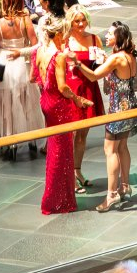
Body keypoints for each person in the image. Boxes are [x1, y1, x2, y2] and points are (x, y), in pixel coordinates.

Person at [40, 16, 101, 214]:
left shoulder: (41, 50)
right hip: (58, 105)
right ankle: (59, 200)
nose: (67, 36)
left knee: (54, 150)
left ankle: (54, 196)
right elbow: (63, 86)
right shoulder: (58, 56)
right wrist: (77, 99)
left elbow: (36, 76)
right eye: (64, 32)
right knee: (62, 152)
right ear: (57, 34)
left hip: (46, 101)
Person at [0, 0, 45, 158]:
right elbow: (35, 43)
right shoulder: (24, 20)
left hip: (3, 63)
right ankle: (32, 138)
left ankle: (10, 140)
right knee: (27, 101)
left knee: (6, 103)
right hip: (21, 63)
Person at [96, 21, 137, 211]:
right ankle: (125, 186)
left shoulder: (115, 59)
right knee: (122, 147)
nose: (106, 35)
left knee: (110, 149)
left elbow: (93, 75)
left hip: (118, 108)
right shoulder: (130, 57)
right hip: (130, 104)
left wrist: (77, 64)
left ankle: (111, 194)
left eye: (110, 33)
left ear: (118, 37)